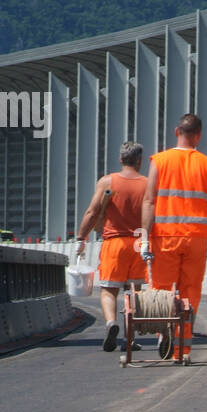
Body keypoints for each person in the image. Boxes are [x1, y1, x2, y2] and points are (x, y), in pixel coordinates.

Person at [141, 113, 207, 360]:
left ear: (176, 132)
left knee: (161, 291)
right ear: (199, 136)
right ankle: (182, 351)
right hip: (196, 239)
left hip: (165, 237)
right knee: (190, 293)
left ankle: (164, 333)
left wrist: (144, 237)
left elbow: (149, 200)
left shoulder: (159, 161)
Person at [76, 141, 147, 352]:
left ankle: (110, 323)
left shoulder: (107, 182)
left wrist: (81, 238)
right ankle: (130, 338)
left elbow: (92, 212)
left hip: (114, 244)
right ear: (140, 160)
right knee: (133, 292)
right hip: (138, 243)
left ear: (120, 159)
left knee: (108, 291)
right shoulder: (147, 183)